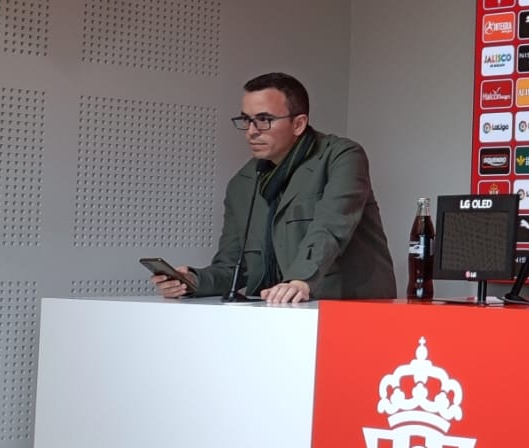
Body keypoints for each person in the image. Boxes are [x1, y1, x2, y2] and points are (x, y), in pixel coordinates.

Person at [150, 73, 396, 303]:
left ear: (298, 124)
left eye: (264, 120)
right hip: (276, 314)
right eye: (246, 120)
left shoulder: (342, 156)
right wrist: (193, 280)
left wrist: (300, 281)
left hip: (349, 307)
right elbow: (233, 266)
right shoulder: (242, 183)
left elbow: (331, 227)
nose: (251, 132)